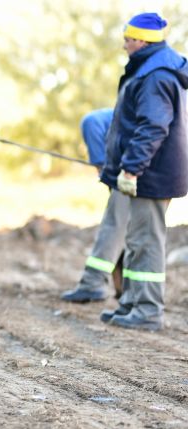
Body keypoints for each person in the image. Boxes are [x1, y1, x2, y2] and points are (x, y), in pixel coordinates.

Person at [95, 13, 188, 330]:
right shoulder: (150, 69)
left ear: (143, 41)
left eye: (128, 39)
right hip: (148, 173)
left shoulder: (156, 76)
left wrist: (132, 169)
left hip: (152, 174)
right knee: (136, 239)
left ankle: (148, 310)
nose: (124, 45)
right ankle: (133, 303)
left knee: (147, 241)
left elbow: (152, 127)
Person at [61, 109, 128, 303]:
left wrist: (102, 166)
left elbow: (91, 124)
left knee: (115, 226)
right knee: (131, 230)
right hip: (150, 171)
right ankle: (125, 289)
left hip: (131, 171)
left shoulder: (95, 122)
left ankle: (93, 284)